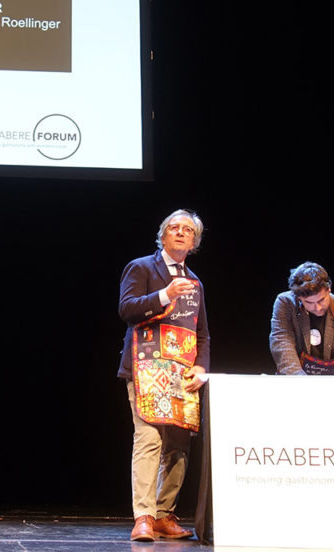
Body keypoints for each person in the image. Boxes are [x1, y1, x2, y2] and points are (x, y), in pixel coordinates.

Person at [117, 209, 210, 541]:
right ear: (163, 235)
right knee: (149, 439)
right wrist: (165, 295)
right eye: (174, 228)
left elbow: (202, 333)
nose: (181, 233)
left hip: (181, 373)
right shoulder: (142, 267)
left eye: (188, 230)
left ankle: (163, 514)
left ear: (194, 242)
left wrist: (201, 366)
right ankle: (143, 516)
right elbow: (127, 309)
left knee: (178, 446)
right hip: (147, 369)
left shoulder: (196, 282)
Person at [269, 261, 334, 375]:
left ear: (329, 290)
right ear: (299, 297)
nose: (317, 308)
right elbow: (282, 343)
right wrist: (299, 379)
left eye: (321, 300)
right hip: (296, 379)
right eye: (309, 302)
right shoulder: (285, 303)